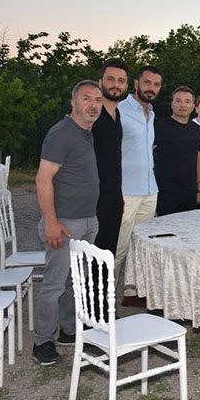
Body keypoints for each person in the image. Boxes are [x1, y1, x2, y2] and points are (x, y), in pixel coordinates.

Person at [33, 80, 102, 366]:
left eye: (97, 100)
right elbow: (42, 178)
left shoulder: (85, 132)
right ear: (73, 102)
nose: (93, 105)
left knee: (75, 282)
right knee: (54, 284)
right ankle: (42, 341)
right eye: (86, 99)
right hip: (63, 223)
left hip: (87, 220)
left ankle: (69, 331)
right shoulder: (62, 132)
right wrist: (51, 222)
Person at [116, 65, 162, 307]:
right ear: (136, 84)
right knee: (118, 248)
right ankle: (104, 304)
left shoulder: (151, 114)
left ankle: (133, 292)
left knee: (140, 248)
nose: (151, 88)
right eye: (147, 83)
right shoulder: (120, 110)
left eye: (156, 85)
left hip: (149, 190)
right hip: (126, 191)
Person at [91, 59, 127, 317]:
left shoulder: (117, 115)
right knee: (91, 260)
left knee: (107, 257)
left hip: (114, 199)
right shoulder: (92, 114)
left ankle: (102, 311)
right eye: (111, 79)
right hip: (93, 200)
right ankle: (89, 316)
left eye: (121, 81)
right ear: (101, 81)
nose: (116, 85)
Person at [154, 86, 200, 216]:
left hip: (189, 193)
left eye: (187, 101)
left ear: (193, 106)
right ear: (172, 104)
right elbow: (145, 154)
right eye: (178, 101)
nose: (182, 105)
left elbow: (199, 159)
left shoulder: (196, 129)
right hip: (165, 193)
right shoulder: (159, 127)